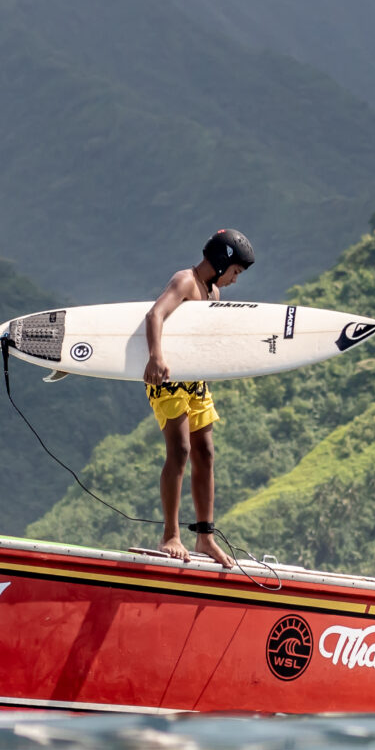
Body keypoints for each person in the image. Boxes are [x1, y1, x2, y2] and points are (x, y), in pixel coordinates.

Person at [143, 228, 255, 564]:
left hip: (195, 381)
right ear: (223, 262)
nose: (235, 280)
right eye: (235, 272)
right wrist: (156, 356)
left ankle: (205, 537)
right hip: (167, 378)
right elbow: (155, 315)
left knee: (205, 452)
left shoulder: (213, 293)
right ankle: (171, 534)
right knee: (179, 451)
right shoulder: (185, 281)